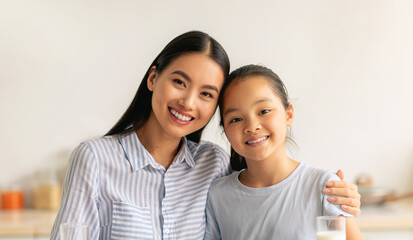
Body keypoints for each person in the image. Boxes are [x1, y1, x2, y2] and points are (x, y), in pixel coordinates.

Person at [50, 31, 361, 240]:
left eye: (206, 94)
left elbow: (263, 190)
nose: (188, 103)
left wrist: (343, 198)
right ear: (154, 78)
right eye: (179, 82)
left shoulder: (212, 163)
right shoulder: (94, 158)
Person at [204, 64, 364, 240]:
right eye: (236, 119)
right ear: (225, 130)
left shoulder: (324, 187)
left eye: (264, 111)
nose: (252, 126)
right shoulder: (217, 195)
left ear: (288, 115)